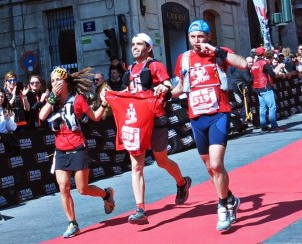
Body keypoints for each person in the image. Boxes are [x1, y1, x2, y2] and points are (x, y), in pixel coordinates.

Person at [171, 19, 246, 232]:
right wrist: (164, 92)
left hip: (218, 114)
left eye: (201, 37)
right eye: (193, 37)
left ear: (209, 36)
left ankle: (222, 207)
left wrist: (216, 51)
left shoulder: (219, 53)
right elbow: (180, 88)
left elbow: (243, 64)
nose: (197, 41)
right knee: (210, 168)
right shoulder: (183, 58)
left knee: (215, 164)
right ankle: (230, 198)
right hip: (197, 117)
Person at [117, 33, 191, 225]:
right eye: (133, 44)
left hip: (156, 119)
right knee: (137, 166)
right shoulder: (131, 68)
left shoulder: (155, 66)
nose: (134, 47)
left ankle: (182, 182)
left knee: (162, 161)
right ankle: (140, 209)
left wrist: (163, 88)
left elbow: (167, 83)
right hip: (136, 122)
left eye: (139, 44)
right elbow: (128, 92)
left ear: (148, 48)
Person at [38, 67, 115, 238]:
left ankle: (107, 194)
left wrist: (103, 103)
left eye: (58, 80)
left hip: (78, 147)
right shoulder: (52, 101)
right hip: (60, 150)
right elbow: (42, 116)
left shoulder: (77, 99)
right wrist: (51, 99)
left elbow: (94, 117)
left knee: (82, 188)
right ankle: (72, 223)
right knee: (63, 188)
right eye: (52, 81)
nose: (55, 83)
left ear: (65, 82)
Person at [250, 47, 285, 132]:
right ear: (264, 53)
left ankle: (264, 126)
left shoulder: (254, 64)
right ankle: (274, 125)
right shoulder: (265, 63)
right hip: (265, 86)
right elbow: (272, 75)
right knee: (272, 106)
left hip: (257, 87)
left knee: (262, 107)